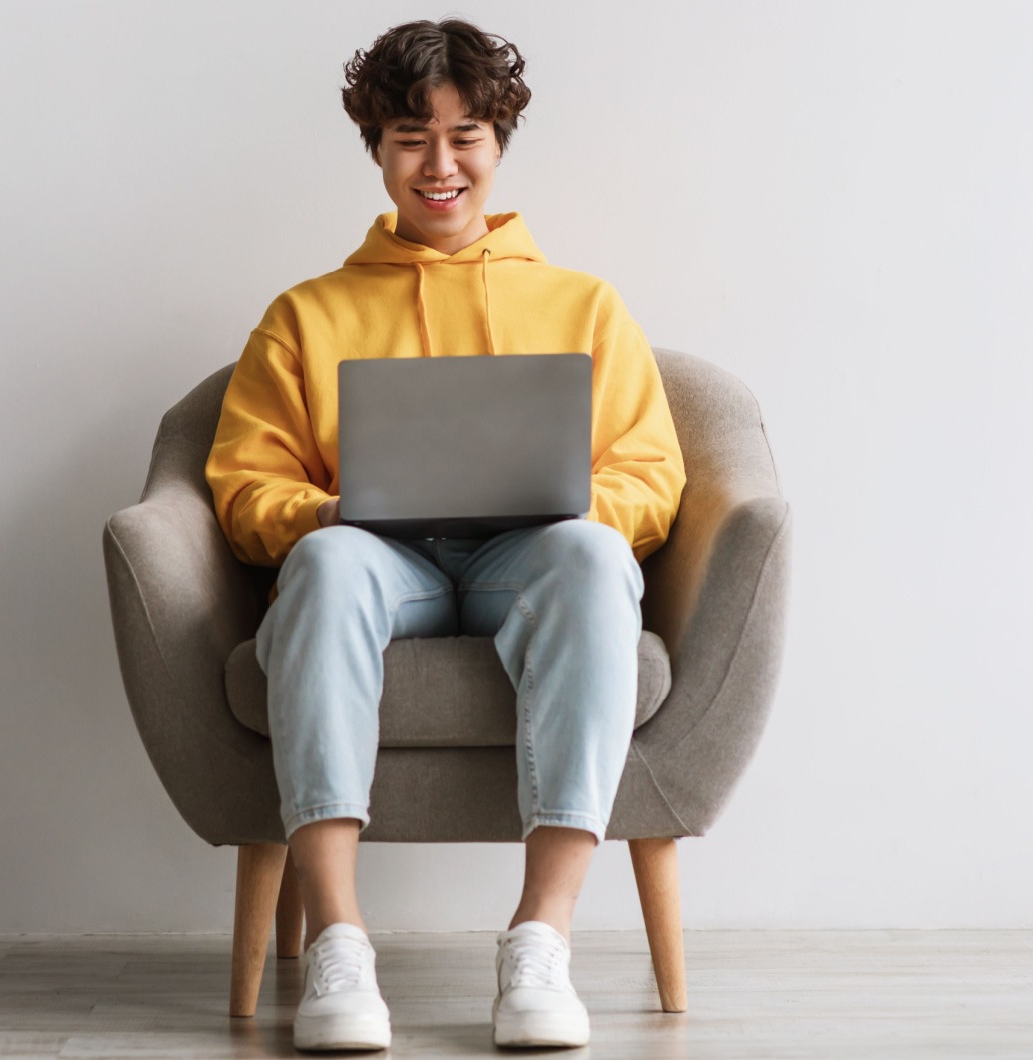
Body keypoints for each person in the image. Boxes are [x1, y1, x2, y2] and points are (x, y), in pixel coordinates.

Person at [204, 17, 685, 1052]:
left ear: (498, 144)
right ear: (376, 147)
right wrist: (325, 512)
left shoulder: (585, 305)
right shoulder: (306, 314)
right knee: (325, 564)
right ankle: (339, 938)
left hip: (531, 559)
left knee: (596, 555)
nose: (440, 163)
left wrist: (567, 500)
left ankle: (541, 942)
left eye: (465, 135)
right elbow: (245, 487)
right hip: (383, 560)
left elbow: (651, 477)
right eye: (411, 136)